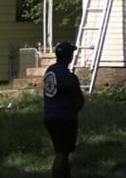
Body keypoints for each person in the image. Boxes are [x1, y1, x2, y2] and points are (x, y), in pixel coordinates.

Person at [43, 42, 84, 178]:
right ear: (69, 57)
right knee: (62, 153)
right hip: (65, 118)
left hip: (49, 115)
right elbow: (78, 101)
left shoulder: (50, 71)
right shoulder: (69, 77)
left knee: (60, 151)